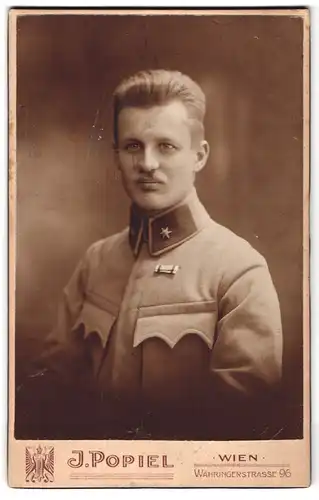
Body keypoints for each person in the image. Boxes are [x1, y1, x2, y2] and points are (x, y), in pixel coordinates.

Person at [15, 69, 283, 441]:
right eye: (133, 146)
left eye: (166, 146)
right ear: (117, 157)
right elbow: (50, 387)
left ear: (199, 156)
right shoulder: (97, 261)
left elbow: (245, 422)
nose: (147, 164)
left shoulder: (238, 270)